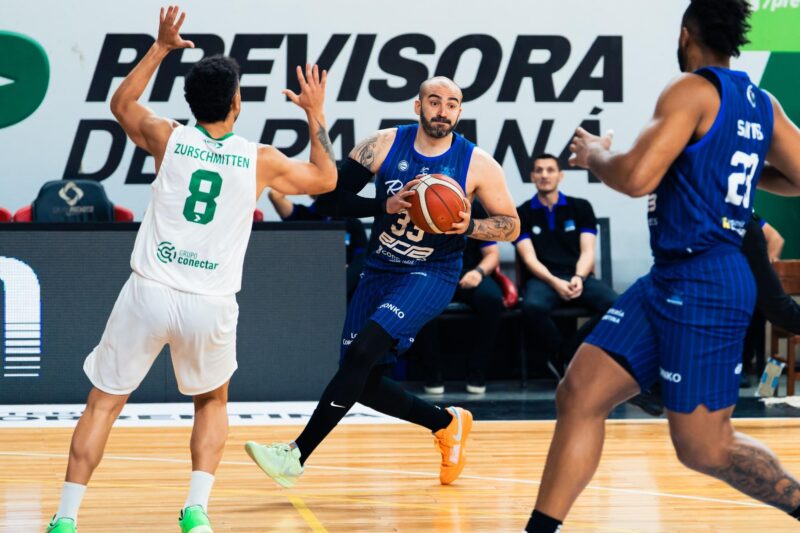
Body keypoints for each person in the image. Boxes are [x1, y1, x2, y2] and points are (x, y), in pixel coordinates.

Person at [45, 7, 337, 533]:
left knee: (104, 404)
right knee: (211, 401)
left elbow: (120, 103)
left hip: (150, 289)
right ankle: (196, 510)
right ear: (236, 103)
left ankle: (66, 518)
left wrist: (159, 46)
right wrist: (315, 112)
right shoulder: (259, 159)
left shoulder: (167, 136)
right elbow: (325, 179)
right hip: (210, 300)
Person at [525, 1, 800, 531]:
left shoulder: (692, 90)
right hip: (669, 277)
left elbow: (634, 178)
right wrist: (730, 171)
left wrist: (592, 155)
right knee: (579, 392)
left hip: (706, 281)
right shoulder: (762, 103)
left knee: (704, 448)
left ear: (684, 33)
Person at [245, 76, 520, 489]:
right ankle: (446, 424)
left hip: (432, 272)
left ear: (459, 111)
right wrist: (383, 205)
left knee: (362, 355)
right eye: (434, 101)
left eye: (451, 104)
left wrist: (471, 224)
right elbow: (329, 198)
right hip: (380, 269)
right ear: (418, 106)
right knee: (362, 381)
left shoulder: (478, 164)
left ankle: (295, 455)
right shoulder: (384, 144)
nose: (442, 110)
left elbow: (511, 226)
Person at [515, 153, 618, 377]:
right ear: (532, 176)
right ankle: (567, 358)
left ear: (560, 176)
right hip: (543, 279)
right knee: (532, 308)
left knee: (616, 306)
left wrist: (579, 278)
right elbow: (529, 258)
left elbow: (588, 251)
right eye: (539, 170)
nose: (544, 175)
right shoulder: (521, 213)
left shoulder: (580, 207)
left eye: (550, 170)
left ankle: (566, 355)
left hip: (577, 276)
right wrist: (554, 282)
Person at [424, 200, 505, 395]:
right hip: (435, 271)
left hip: (470, 272)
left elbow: (492, 254)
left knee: (492, 301)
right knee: (421, 302)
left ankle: (477, 371)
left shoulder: (478, 208)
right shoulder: (427, 201)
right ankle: (432, 373)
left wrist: (478, 272)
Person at [267, 190, 368, 299]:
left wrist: (344, 275)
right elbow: (274, 195)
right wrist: (310, 183)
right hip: (308, 285)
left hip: (343, 287)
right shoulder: (301, 214)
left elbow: (361, 259)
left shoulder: (353, 224)